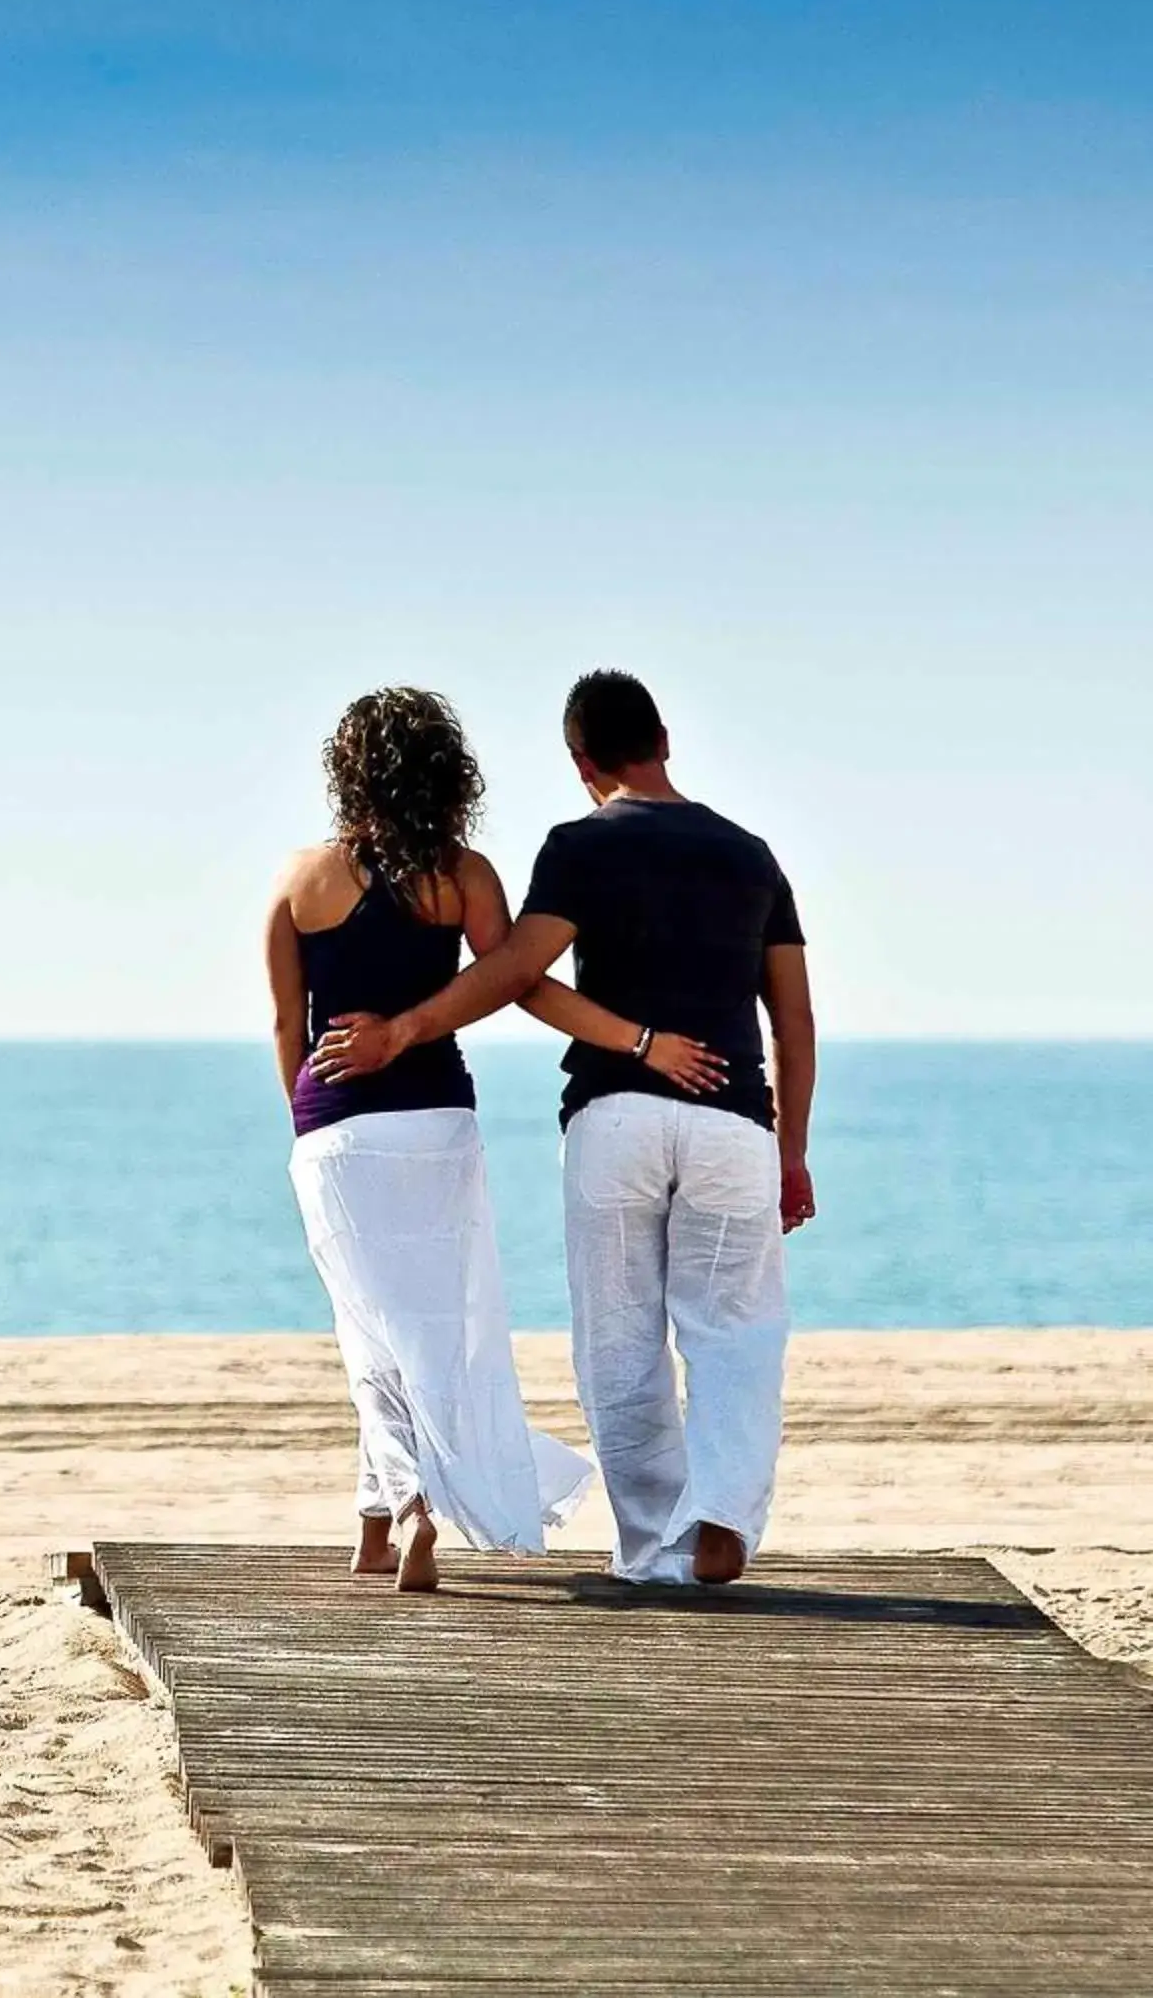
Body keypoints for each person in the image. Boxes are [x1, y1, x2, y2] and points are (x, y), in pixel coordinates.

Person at [312, 670, 815, 1587]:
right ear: (665, 737)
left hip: (614, 1118)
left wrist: (409, 1028)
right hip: (736, 1121)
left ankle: (653, 1544)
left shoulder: (579, 846)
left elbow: (513, 972)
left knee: (619, 1341)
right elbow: (795, 1020)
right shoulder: (752, 855)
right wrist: (793, 1151)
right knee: (736, 1331)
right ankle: (720, 1521)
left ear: (580, 761)